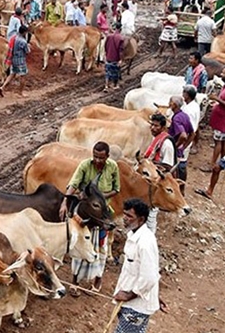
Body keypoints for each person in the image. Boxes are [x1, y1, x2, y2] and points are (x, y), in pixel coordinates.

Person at [62, 141, 119, 296]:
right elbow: (73, 184)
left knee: (101, 248)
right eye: (95, 156)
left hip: (103, 215)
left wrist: (99, 197)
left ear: (107, 156)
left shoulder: (113, 167)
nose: (97, 160)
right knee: (79, 247)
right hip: (85, 213)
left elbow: (116, 189)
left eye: (101, 157)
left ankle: (97, 280)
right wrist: (64, 202)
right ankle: (75, 282)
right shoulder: (85, 165)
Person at [113, 199, 162, 333]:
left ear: (141, 219)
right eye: (124, 214)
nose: (124, 219)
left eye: (129, 216)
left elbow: (150, 277)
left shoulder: (145, 243)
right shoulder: (133, 235)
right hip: (131, 301)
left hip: (136, 305)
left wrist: (129, 295)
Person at [203, 65, 225, 172]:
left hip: (224, 120)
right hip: (221, 119)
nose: (221, 75)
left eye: (223, 73)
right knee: (223, 142)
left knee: (218, 141)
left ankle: (212, 164)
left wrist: (216, 99)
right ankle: (224, 162)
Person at [168, 96, 194, 192]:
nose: (169, 104)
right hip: (180, 150)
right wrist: (184, 147)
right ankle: (182, 190)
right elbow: (192, 133)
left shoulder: (176, 118)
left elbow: (183, 135)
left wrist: (175, 146)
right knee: (182, 168)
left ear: (174, 105)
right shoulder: (185, 115)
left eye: (170, 102)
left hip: (175, 150)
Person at [0, 25, 29, 97]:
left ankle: (2, 87)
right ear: (24, 32)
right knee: (23, 76)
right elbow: (27, 51)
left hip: (13, 59)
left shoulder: (14, 38)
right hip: (20, 60)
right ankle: (20, 92)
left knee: (12, 74)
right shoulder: (23, 41)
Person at [104, 23, 123, 92]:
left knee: (107, 72)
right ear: (120, 29)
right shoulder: (120, 38)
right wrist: (120, 59)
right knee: (116, 72)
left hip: (108, 57)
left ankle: (106, 86)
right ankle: (115, 85)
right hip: (115, 58)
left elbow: (105, 46)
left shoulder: (109, 36)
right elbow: (120, 51)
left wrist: (106, 54)